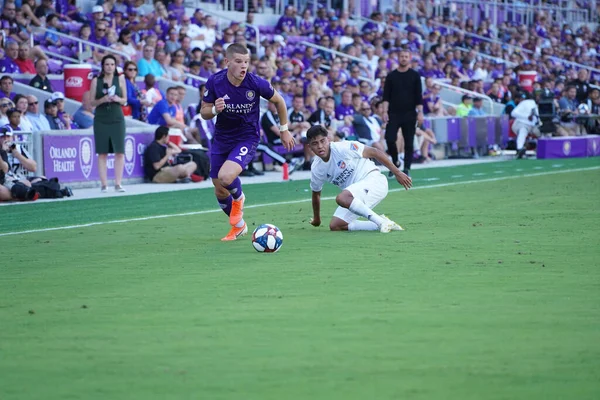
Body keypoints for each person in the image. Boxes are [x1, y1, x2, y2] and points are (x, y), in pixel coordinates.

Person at [200, 43, 295, 241]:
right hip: (222, 138)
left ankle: (239, 198)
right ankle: (239, 226)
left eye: (246, 62)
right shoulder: (215, 82)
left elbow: (279, 102)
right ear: (227, 62)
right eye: (238, 61)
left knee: (226, 177)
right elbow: (204, 112)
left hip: (247, 137)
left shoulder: (255, 83)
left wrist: (284, 130)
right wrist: (215, 110)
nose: (244, 66)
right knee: (219, 188)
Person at [306, 125, 412, 233]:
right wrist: (317, 219)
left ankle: (381, 222)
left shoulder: (342, 147)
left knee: (342, 198)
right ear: (309, 146)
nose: (320, 146)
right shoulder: (316, 168)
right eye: (315, 143)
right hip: (355, 195)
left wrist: (397, 173)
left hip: (374, 181)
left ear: (328, 139)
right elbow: (316, 194)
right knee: (336, 225)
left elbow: (374, 152)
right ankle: (384, 223)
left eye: (322, 141)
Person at [89, 55, 128, 193]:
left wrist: (118, 99)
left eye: (112, 64)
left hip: (117, 117)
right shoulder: (96, 80)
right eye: (107, 64)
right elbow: (91, 102)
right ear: (103, 66)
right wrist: (103, 100)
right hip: (101, 118)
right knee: (102, 152)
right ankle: (104, 184)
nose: (110, 67)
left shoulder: (120, 79)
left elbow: (125, 100)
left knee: (119, 152)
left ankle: (118, 183)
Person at [382, 48, 423, 177]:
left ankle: (406, 168)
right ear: (398, 58)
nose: (404, 58)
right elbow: (386, 96)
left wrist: (420, 112)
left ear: (409, 58)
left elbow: (418, 96)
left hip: (410, 113)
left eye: (406, 56)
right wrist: (384, 111)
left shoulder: (415, 75)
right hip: (393, 113)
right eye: (401, 56)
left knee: (409, 141)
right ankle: (395, 161)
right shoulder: (391, 76)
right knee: (389, 138)